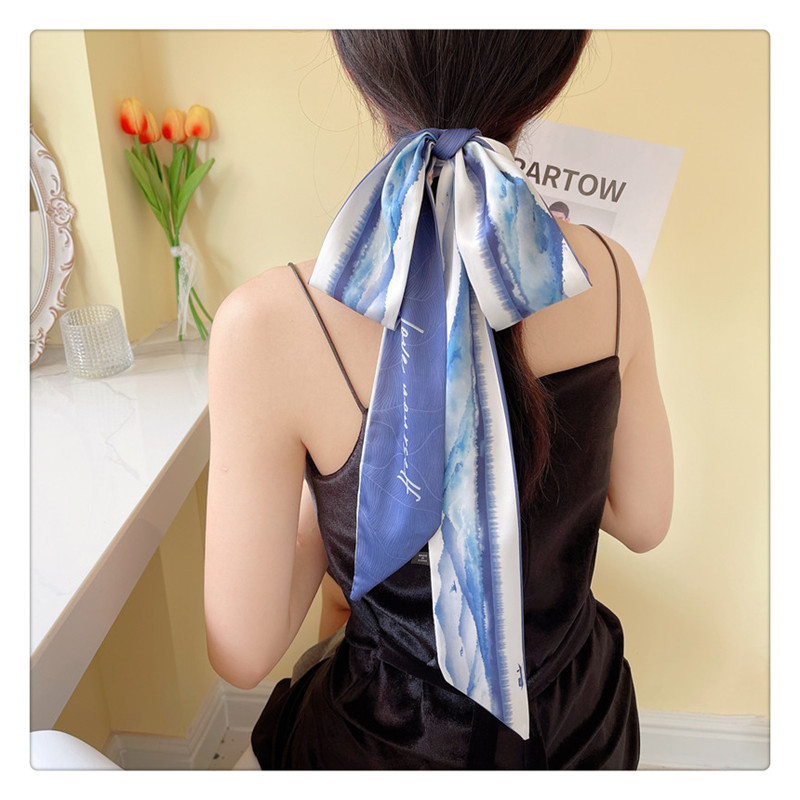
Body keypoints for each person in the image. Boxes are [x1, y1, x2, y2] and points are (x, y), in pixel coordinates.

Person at [204, 30, 673, 770]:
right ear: (553, 69)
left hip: (385, 749)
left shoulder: (269, 325)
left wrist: (336, 491)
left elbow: (243, 650)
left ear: (358, 63)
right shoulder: (607, 272)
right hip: (581, 736)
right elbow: (644, 521)